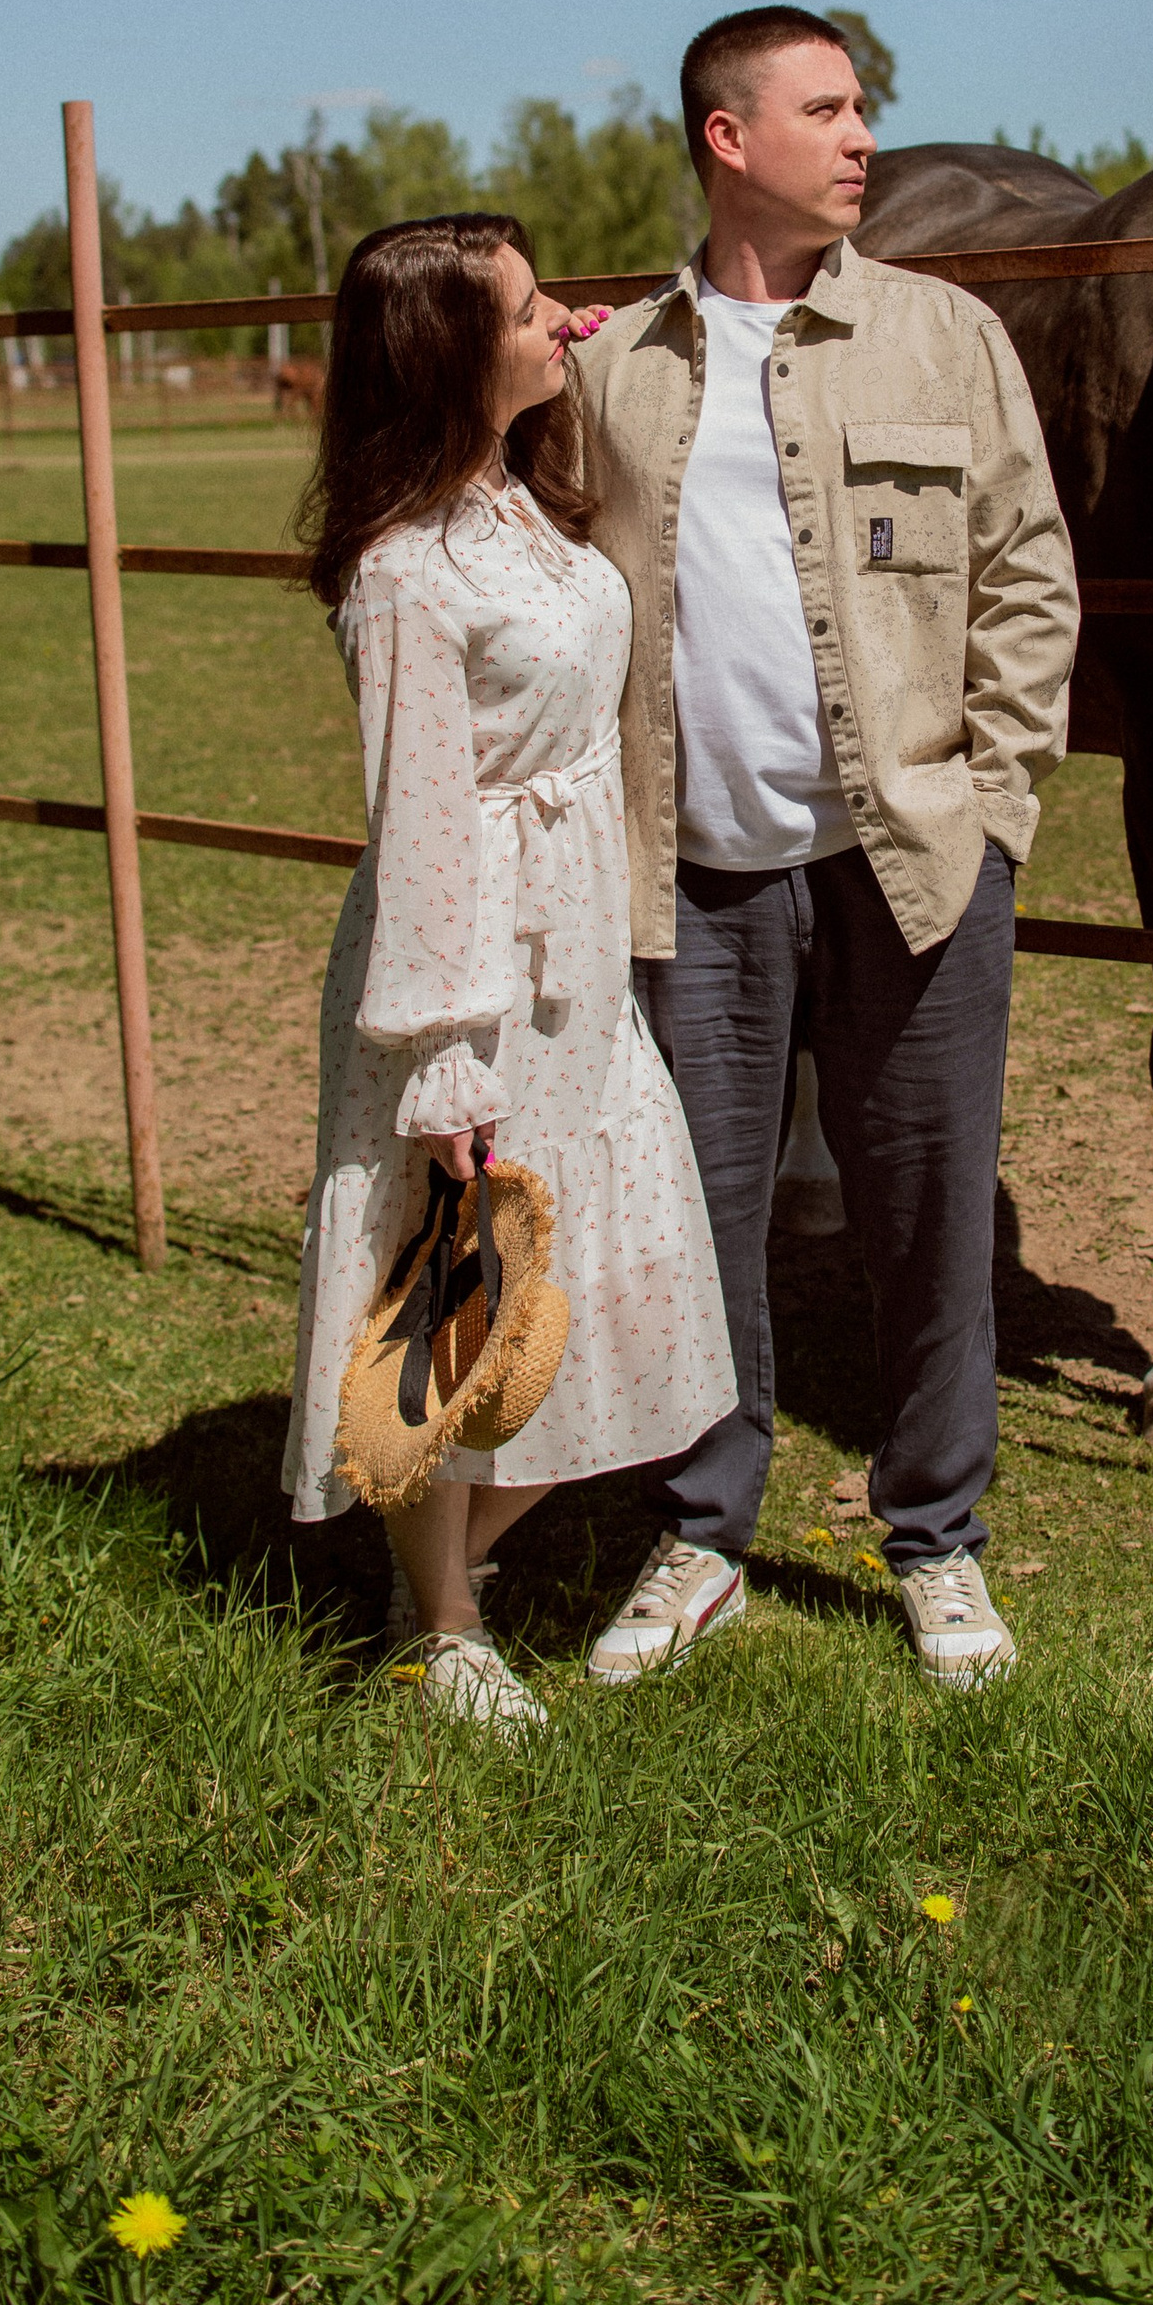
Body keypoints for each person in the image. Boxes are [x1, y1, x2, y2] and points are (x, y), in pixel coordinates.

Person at [569, 9, 1078, 1690]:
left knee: (929, 1218)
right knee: (695, 1219)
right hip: (692, 884)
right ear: (729, 138)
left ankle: (935, 1543)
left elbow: (1027, 575)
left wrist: (994, 811)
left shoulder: (947, 337)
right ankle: (704, 1529)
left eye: (867, 107)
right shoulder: (613, 367)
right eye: (830, 109)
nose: (865, 139)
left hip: (913, 866)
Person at [282, 214, 736, 1734]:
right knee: (452, 1288)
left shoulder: (524, 504)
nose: (567, 321)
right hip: (470, 949)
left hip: (579, 944)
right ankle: (444, 1621)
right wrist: (440, 1056)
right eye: (532, 311)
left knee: (576, 1284)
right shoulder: (408, 568)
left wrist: (579, 365)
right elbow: (420, 821)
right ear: (443, 356)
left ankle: (424, 1568)